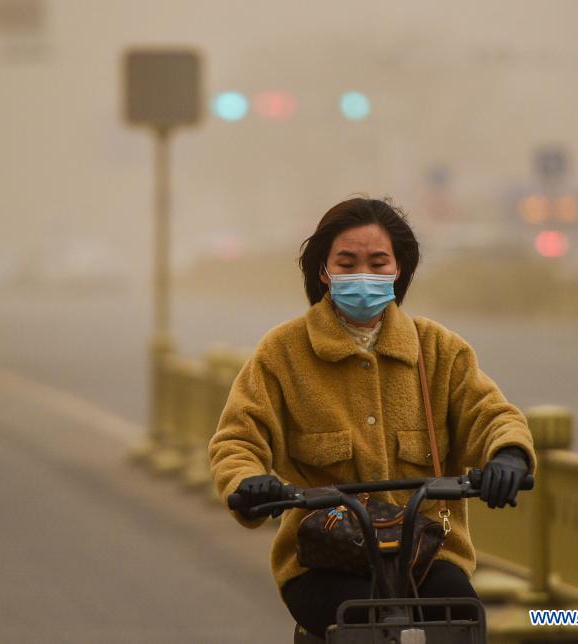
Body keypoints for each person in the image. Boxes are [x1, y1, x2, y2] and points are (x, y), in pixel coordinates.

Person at [208, 197, 535, 638]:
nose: (363, 273)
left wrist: (509, 455)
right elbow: (237, 439)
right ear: (323, 270)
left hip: (426, 556)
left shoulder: (440, 351)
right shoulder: (282, 353)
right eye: (347, 262)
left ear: (399, 269)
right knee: (361, 624)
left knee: (462, 618)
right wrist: (247, 482)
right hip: (322, 559)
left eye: (378, 261)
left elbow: (490, 414)